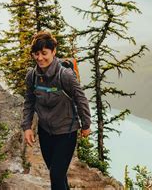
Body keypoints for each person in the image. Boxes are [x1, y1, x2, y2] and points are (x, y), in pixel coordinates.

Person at [21, 31, 92, 190]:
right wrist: (26, 127)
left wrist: (86, 124)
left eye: (44, 53)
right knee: (57, 175)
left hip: (66, 133)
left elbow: (81, 99)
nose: (40, 58)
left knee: (56, 175)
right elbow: (29, 101)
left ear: (53, 52)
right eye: (36, 54)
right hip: (45, 132)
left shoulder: (65, 75)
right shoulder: (32, 76)